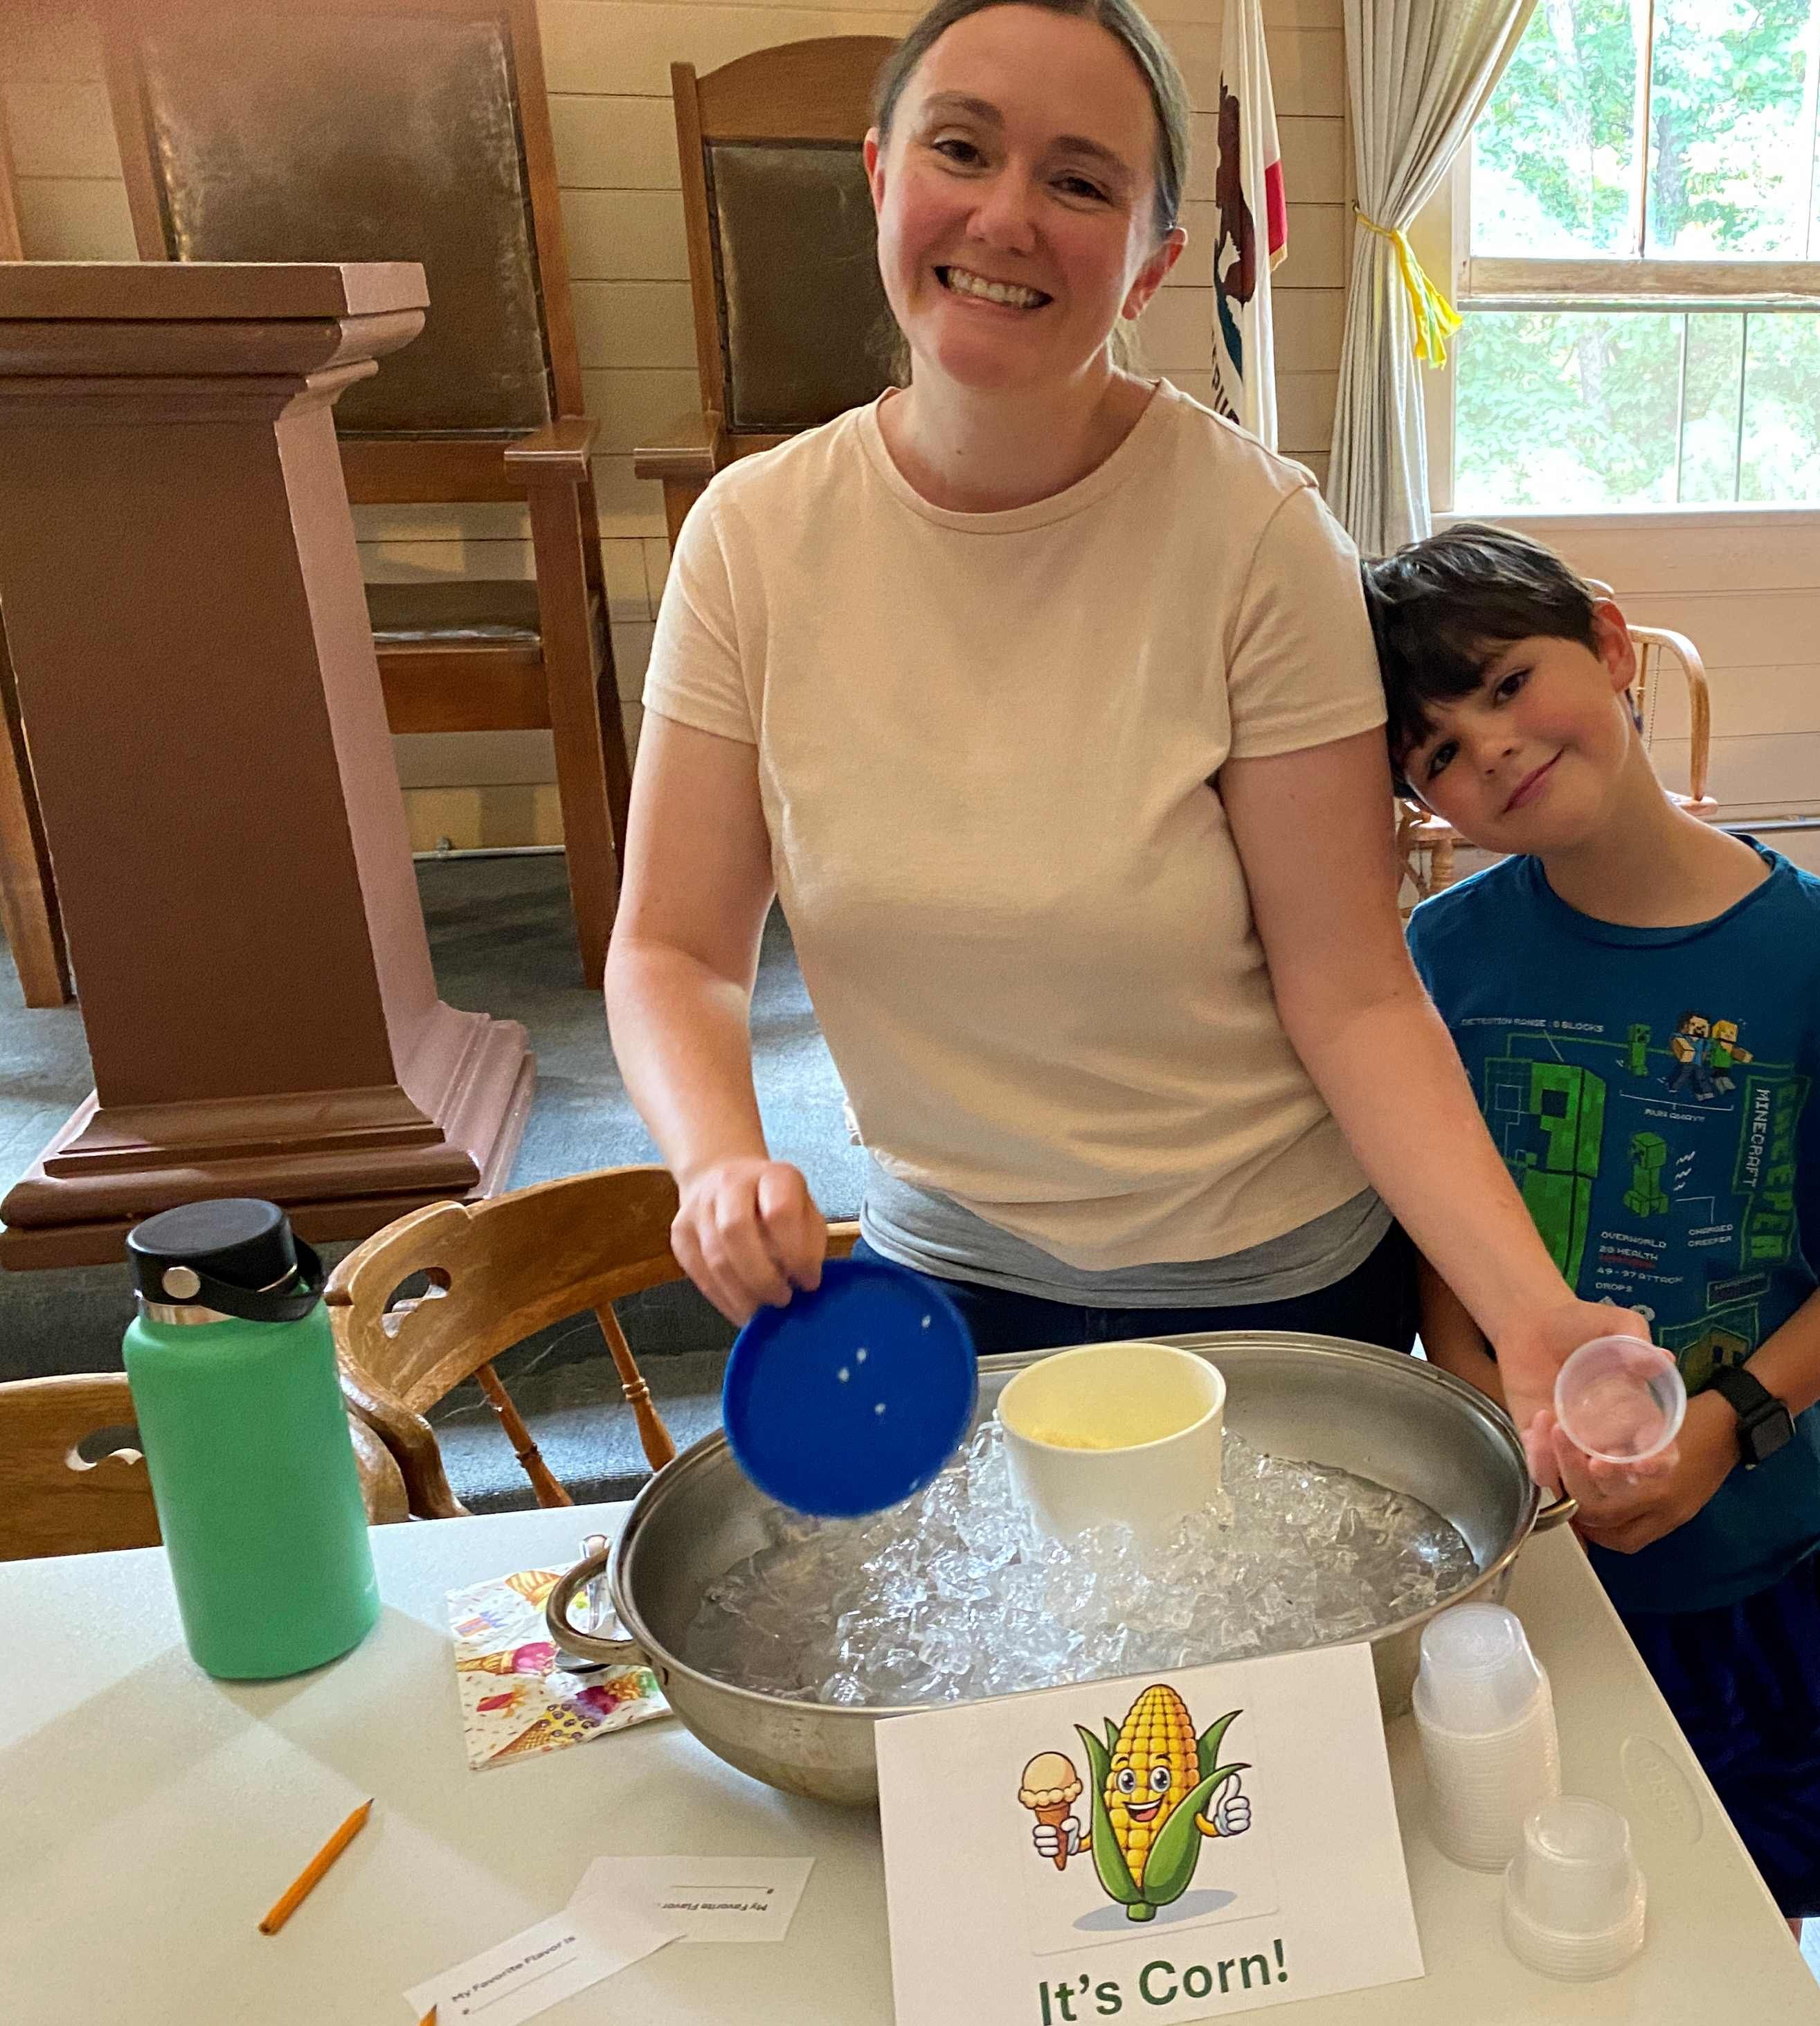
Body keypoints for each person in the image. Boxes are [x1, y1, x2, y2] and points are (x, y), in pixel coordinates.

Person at [606, 0, 1638, 1404]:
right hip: (944, 1281)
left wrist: (1532, 1311)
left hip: (1274, 1289)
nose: (1007, 217)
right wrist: (720, 1154)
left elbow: (1354, 996)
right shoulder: (749, 537)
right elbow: (676, 949)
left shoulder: (1260, 534)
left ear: (1154, 263)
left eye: (1078, 180)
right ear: (880, 177)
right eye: (960, 149)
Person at [1369, 523, 1820, 1935]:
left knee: (1749, 1926)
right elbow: (1441, 1252)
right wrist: (1496, 1440)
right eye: (1438, 751)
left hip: (1764, 1558)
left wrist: (1730, 1424)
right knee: (1537, 1911)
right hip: (1534, 1573)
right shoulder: (1437, 966)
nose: (1492, 751)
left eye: (1509, 685)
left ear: (1613, 642)